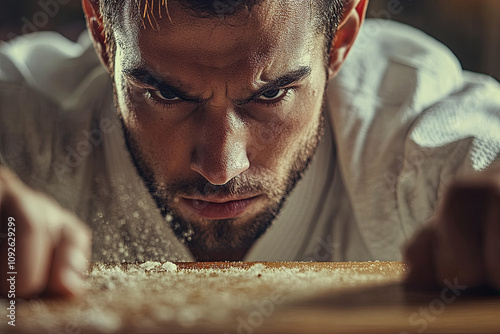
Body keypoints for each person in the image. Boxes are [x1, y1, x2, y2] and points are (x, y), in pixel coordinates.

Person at [0, 0, 499, 298]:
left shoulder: (411, 130)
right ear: (102, 33)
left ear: (341, 38)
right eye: (166, 95)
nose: (221, 167)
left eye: (270, 94)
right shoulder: (32, 123)